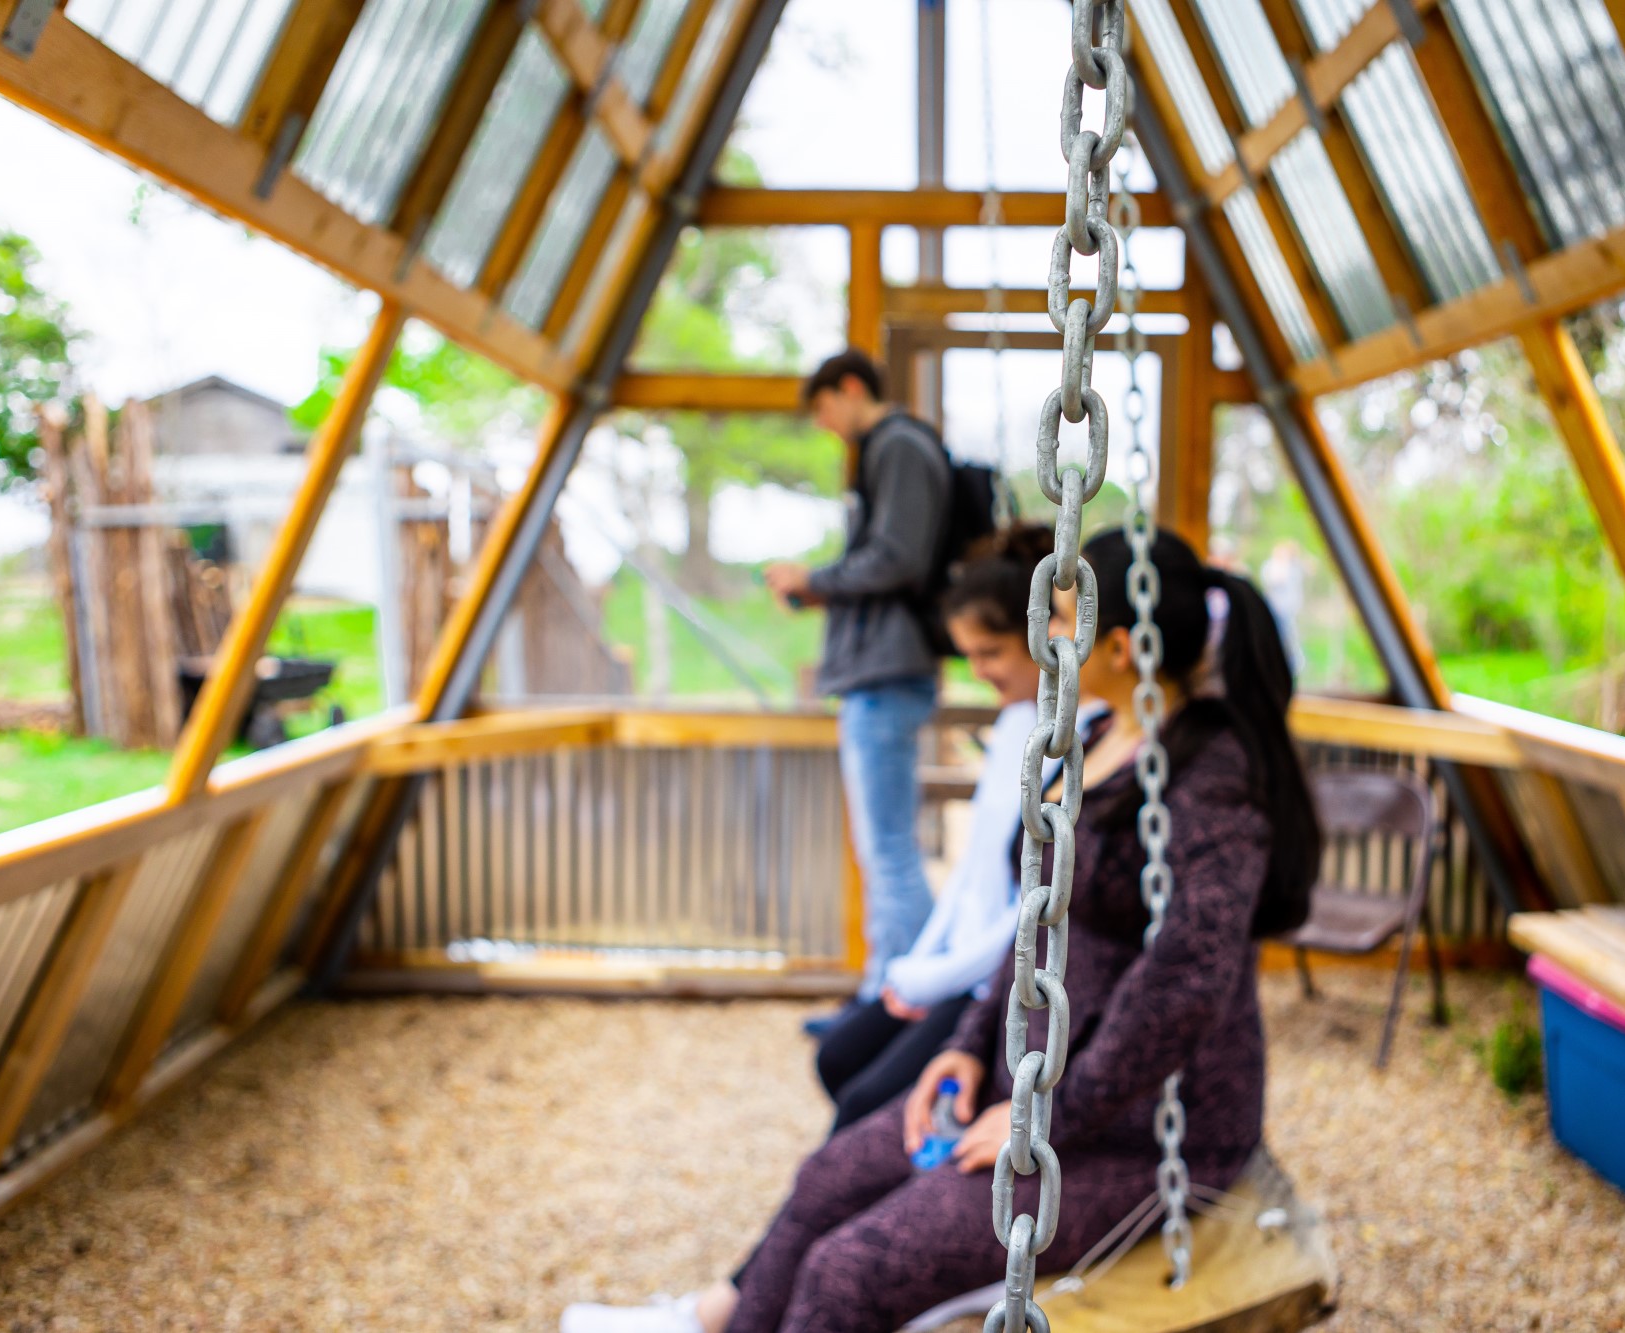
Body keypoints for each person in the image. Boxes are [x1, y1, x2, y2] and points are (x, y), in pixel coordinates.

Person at [563, 528, 1322, 1333]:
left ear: (1122, 646)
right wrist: (966, 1043)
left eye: (1060, 619)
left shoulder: (1212, 772)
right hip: (1031, 1081)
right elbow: (1034, 925)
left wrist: (1048, 1119)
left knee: (848, 1271)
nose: (1045, 640)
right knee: (827, 1177)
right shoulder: (1097, 739)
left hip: (1132, 1130)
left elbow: (1185, 983)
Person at [813, 526, 1058, 1132]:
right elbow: (973, 868)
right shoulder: (1011, 728)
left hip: (993, 982)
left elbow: (1036, 907)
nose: (978, 671)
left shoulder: (1061, 744)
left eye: (991, 654)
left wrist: (935, 979)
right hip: (958, 968)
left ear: (1041, 637)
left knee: (862, 1102)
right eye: (968, 656)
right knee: (837, 1057)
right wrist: (916, 967)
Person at [764, 350, 951, 1024]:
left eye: (823, 409)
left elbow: (897, 557)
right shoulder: (894, 449)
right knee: (886, 847)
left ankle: (895, 999)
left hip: (885, 670)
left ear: (848, 389)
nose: (826, 425)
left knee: (889, 848)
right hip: (881, 668)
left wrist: (815, 579)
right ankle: (901, 988)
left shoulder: (897, 445)